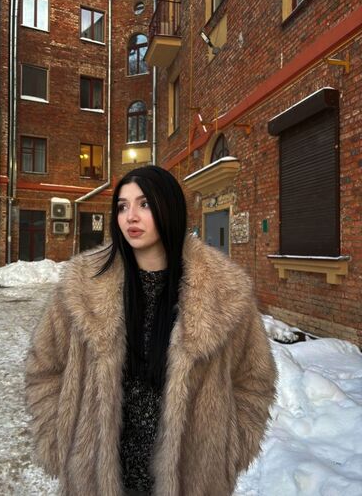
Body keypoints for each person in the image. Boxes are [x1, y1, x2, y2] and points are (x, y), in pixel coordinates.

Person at [25, 165, 277, 496]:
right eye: (122, 206)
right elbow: (44, 367)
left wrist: (230, 451)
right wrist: (56, 438)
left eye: (144, 204)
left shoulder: (223, 293)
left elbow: (255, 379)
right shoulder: (81, 287)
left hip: (191, 482)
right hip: (96, 480)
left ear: (169, 207)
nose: (130, 216)